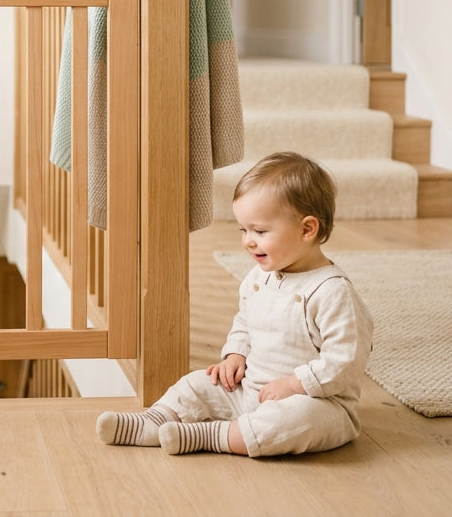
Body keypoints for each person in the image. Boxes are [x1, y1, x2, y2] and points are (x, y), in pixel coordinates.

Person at [95, 151, 374, 457]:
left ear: (308, 229)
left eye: (260, 231)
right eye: (244, 230)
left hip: (316, 403)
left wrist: (296, 385)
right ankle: (154, 421)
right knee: (197, 382)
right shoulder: (259, 277)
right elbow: (245, 322)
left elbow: (346, 360)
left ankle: (206, 435)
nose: (248, 241)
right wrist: (235, 354)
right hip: (249, 392)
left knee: (290, 423)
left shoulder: (332, 292)